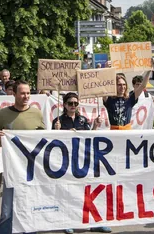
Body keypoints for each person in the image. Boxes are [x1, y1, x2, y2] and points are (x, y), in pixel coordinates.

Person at [0, 80, 45, 234]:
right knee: (8, 210)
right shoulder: (2, 114)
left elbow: (44, 139)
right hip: (12, 169)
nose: (26, 96)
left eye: (28, 93)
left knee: (30, 205)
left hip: (32, 170)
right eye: (22, 93)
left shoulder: (36, 113)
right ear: (13, 94)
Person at [52, 92, 106, 234]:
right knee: (68, 192)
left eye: (76, 103)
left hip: (83, 161)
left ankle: (94, 222)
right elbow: (52, 142)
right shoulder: (58, 121)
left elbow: (90, 137)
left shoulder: (82, 119)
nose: (73, 106)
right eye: (70, 103)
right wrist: (58, 131)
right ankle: (67, 222)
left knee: (88, 191)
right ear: (64, 105)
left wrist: (95, 126)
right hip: (66, 163)